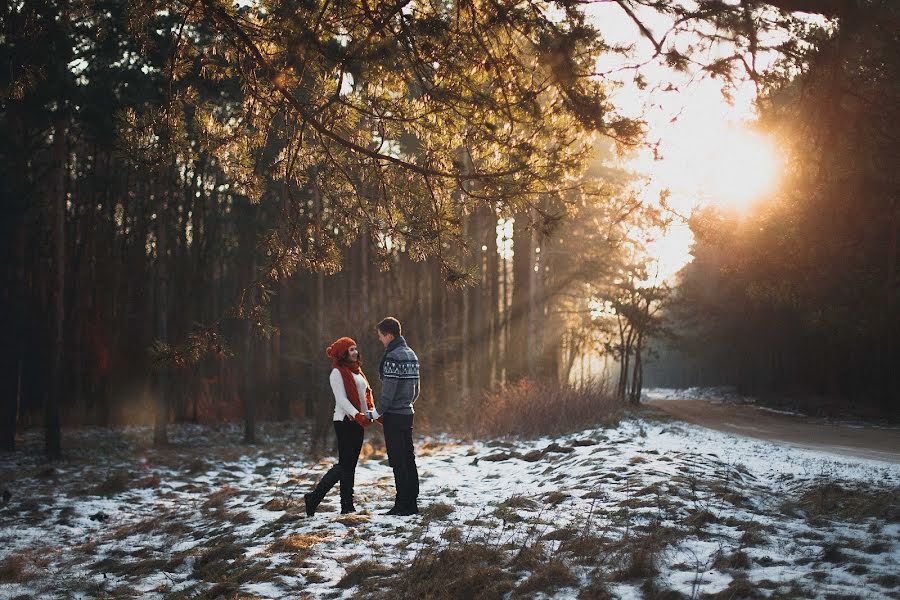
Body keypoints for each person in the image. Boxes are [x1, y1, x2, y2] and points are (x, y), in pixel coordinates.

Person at [304, 337, 375, 516]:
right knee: (345, 464)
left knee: (350, 465)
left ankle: (347, 505)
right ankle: (314, 498)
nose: (355, 352)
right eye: (350, 349)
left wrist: (369, 415)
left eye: (355, 349)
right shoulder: (337, 372)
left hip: (358, 421)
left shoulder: (358, 372)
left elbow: (364, 397)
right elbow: (342, 400)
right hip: (344, 421)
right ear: (343, 353)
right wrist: (357, 415)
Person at [370, 317, 420, 516]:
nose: (380, 340)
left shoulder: (392, 357)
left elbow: (388, 394)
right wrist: (406, 404)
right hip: (408, 413)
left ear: (389, 335)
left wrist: (376, 412)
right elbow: (416, 390)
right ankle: (411, 503)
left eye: (381, 336)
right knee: (409, 458)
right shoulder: (411, 354)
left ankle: (402, 506)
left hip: (394, 415)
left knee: (398, 461)